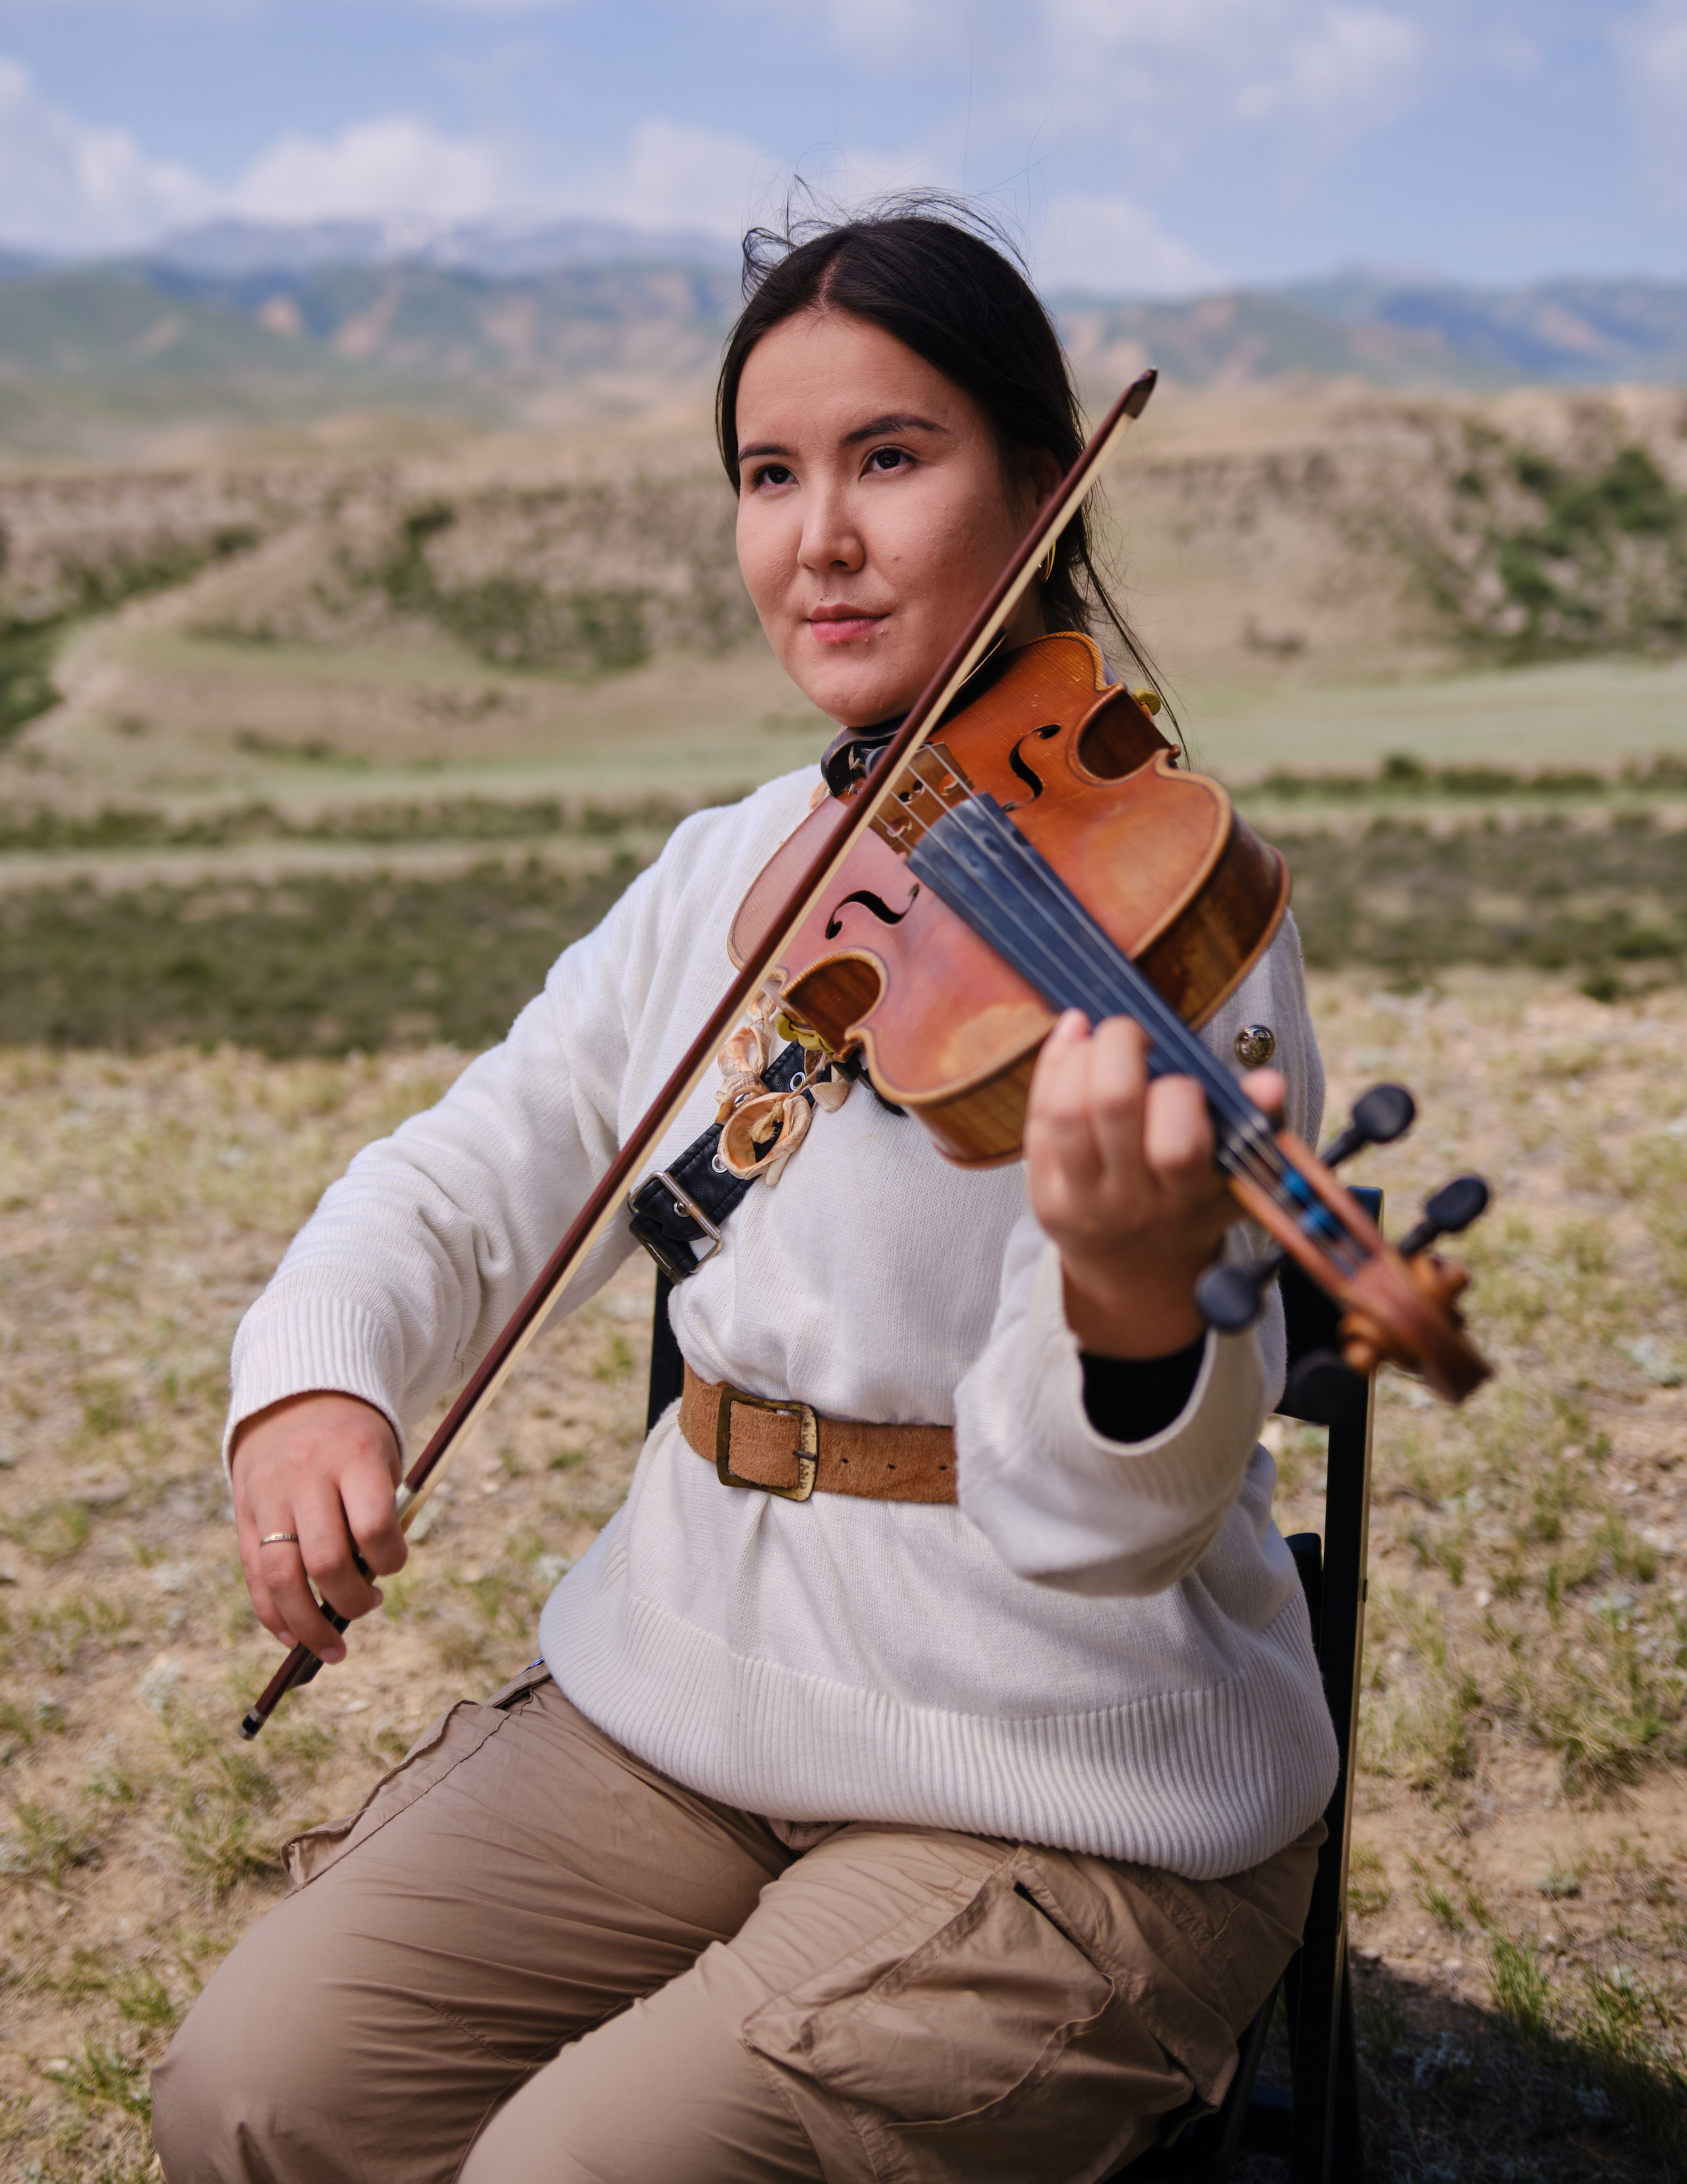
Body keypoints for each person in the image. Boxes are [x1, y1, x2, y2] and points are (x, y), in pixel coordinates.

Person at [152, 201, 1338, 2184]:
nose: (819, 537)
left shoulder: (1165, 894)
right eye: (769, 475)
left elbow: (1116, 1520)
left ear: (1046, 487)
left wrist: (1136, 1309)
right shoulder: (730, 870)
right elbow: (478, 1158)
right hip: (683, 1705)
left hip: (1062, 1786)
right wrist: (318, 1374)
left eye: (891, 456)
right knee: (252, 2093)